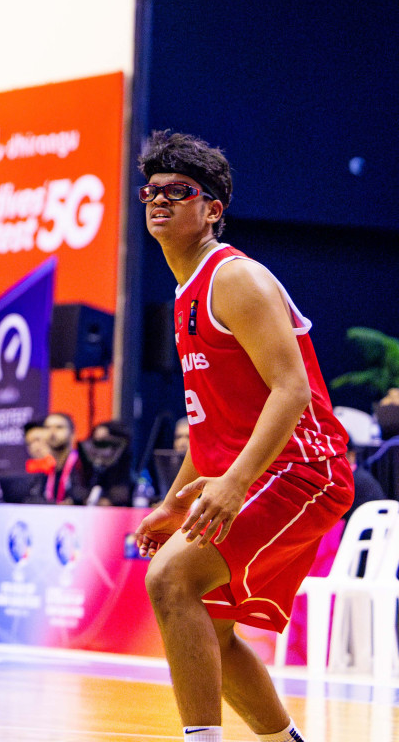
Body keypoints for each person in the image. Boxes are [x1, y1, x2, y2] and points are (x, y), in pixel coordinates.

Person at [134, 130, 351, 742]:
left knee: (170, 580)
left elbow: (293, 391)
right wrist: (174, 501)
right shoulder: (185, 294)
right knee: (211, 628)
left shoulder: (234, 278)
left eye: (180, 191)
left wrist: (232, 483)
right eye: (152, 190)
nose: (160, 200)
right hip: (262, 470)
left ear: (212, 210)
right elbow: (210, 422)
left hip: (304, 468)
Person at [42, 411, 90, 503]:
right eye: (47, 428)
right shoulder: (43, 469)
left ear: (72, 433)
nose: (52, 432)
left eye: (59, 427)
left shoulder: (83, 464)